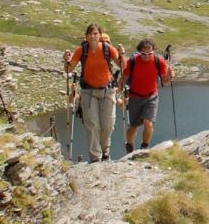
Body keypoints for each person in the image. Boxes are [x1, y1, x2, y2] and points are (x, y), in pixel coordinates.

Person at [64, 24, 123, 161]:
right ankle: (95, 157)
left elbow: (122, 65)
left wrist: (122, 55)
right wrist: (66, 61)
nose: (93, 36)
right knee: (92, 125)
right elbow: (69, 69)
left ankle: (105, 149)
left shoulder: (108, 49)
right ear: (86, 36)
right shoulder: (81, 50)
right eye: (90, 34)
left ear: (100, 35)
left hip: (107, 90)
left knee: (108, 124)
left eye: (95, 33)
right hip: (88, 91)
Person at [120, 38, 170, 154]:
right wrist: (120, 91)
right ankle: (130, 146)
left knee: (148, 123)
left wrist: (169, 76)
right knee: (134, 127)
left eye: (149, 53)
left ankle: (144, 147)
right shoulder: (133, 61)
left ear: (153, 51)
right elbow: (123, 78)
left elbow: (165, 82)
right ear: (139, 51)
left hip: (151, 96)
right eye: (144, 54)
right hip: (135, 96)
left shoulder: (159, 61)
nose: (147, 56)